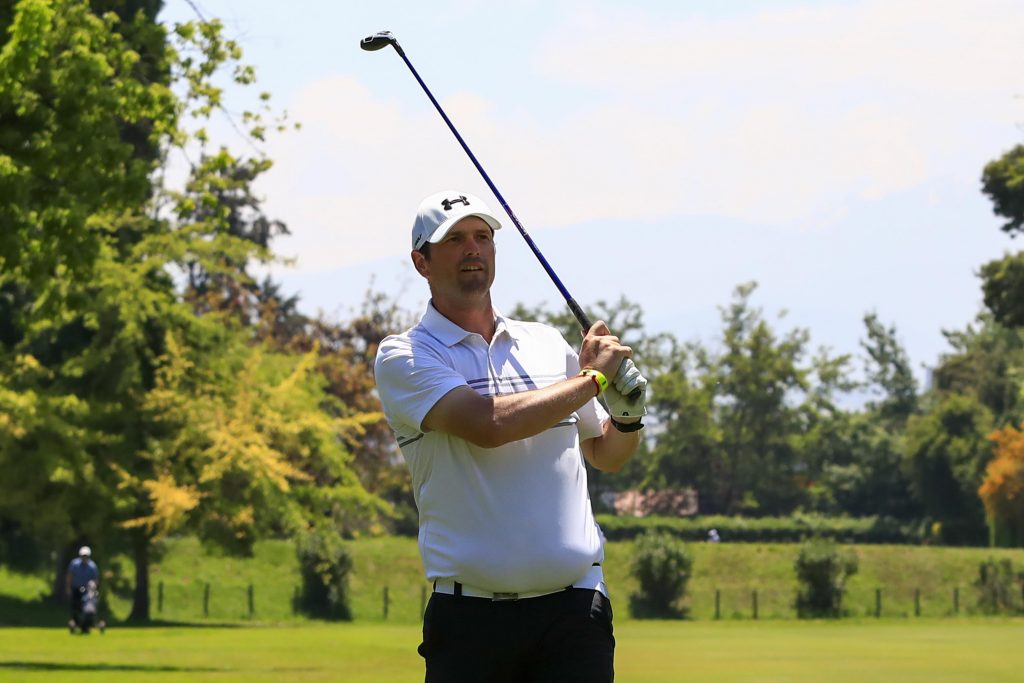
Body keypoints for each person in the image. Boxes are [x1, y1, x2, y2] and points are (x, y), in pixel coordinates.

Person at [374, 190, 648, 682]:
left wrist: (627, 418)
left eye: (482, 236)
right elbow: (489, 424)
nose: (472, 248)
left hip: (574, 614)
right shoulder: (405, 356)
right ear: (421, 262)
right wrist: (593, 380)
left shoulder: (547, 343)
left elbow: (604, 453)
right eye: (454, 239)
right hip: (470, 622)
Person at [65, 545, 99, 629]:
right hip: (76, 589)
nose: (84, 557)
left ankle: (87, 623)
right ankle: (76, 622)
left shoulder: (92, 566)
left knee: (88, 607)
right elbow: (70, 576)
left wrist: (93, 589)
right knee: (75, 607)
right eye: (83, 556)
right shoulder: (75, 564)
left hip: (87, 590)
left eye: (86, 556)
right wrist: (68, 588)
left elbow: (95, 580)